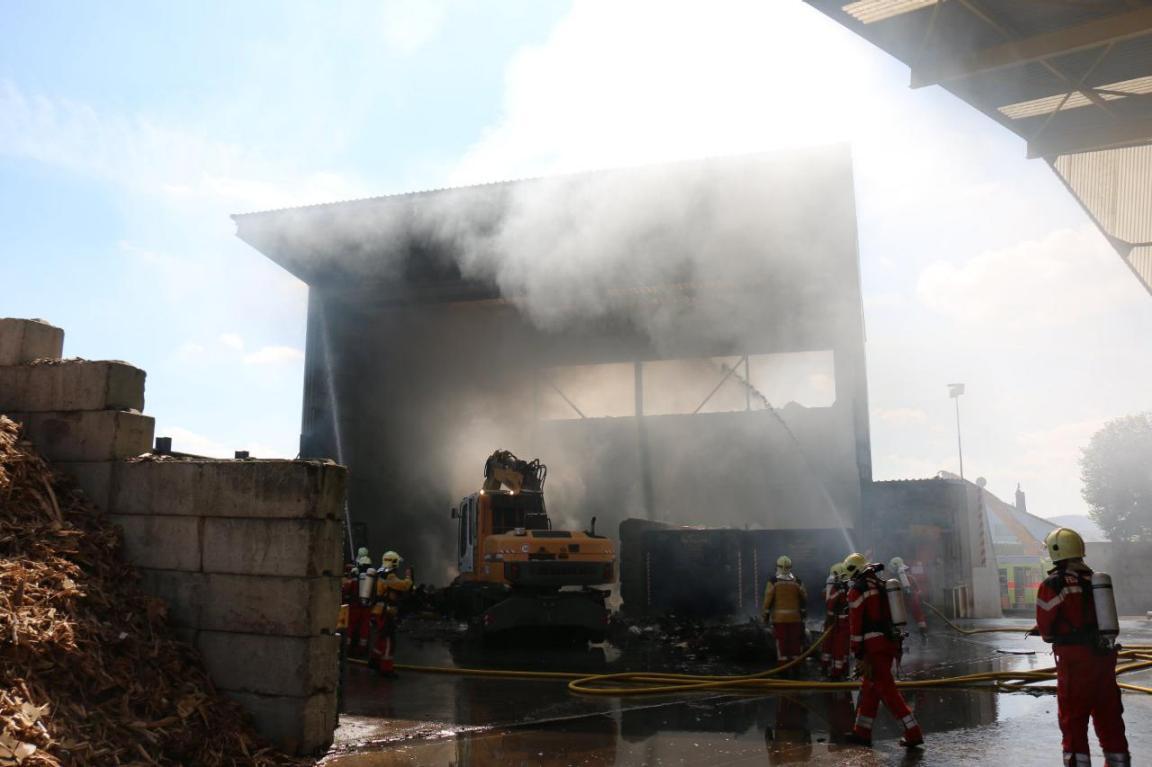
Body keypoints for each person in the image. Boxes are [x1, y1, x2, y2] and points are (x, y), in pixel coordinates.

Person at [1036, 527, 1129, 767]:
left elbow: (1046, 631)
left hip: (1075, 661)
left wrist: (1055, 632)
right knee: (1109, 715)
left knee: (1073, 720)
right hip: (1104, 655)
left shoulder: (1054, 584)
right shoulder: (1096, 580)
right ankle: (1119, 762)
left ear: (1055, 552)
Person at [843, 552, 923, 749]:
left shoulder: (857, 590)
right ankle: (862, 733)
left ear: (853, 571)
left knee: (887, 691)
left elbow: (855, 625)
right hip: (888, 643)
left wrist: (857, 653)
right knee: (870, 689)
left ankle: (913, 732)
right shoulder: (881, 584)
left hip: (873, 648)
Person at [370, 550, 413, 677]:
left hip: (378, 611)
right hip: (385, 612)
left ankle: (374, 661)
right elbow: (403, 586)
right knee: (389, 641)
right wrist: (409, 577)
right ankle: (386, 669)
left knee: (381, 637)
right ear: (393, 562)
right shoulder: (389, 576)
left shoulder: (380, 573)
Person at [763, 555, 807, 665]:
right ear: (790, 567)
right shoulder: (797, 581)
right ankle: (796, 667)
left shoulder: (773, 581)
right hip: (795, 619)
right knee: (795, 642)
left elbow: (768, 601)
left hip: (779, 620)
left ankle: (783, 668)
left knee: (782, 643)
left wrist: (765, 617)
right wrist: (803, 615)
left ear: (777, 567)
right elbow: (804, 598)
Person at [822, 563, 850, 679]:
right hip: (848, 621)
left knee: (836, 647)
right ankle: (844, 670)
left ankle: (835, 673)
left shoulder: (838, 588)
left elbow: (830, 604)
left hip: (839, 622)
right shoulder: (849, 586)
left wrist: (829, 619)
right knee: (845, 648)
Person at [889, 556, 928, 637]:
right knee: (918, 615)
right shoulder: (910, 578)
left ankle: (899, 635)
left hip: (903, 600)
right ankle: (923, 633)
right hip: (913, 599)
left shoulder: (893, 581)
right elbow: (918, 590)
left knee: (899, 617)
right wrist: (918, 596)